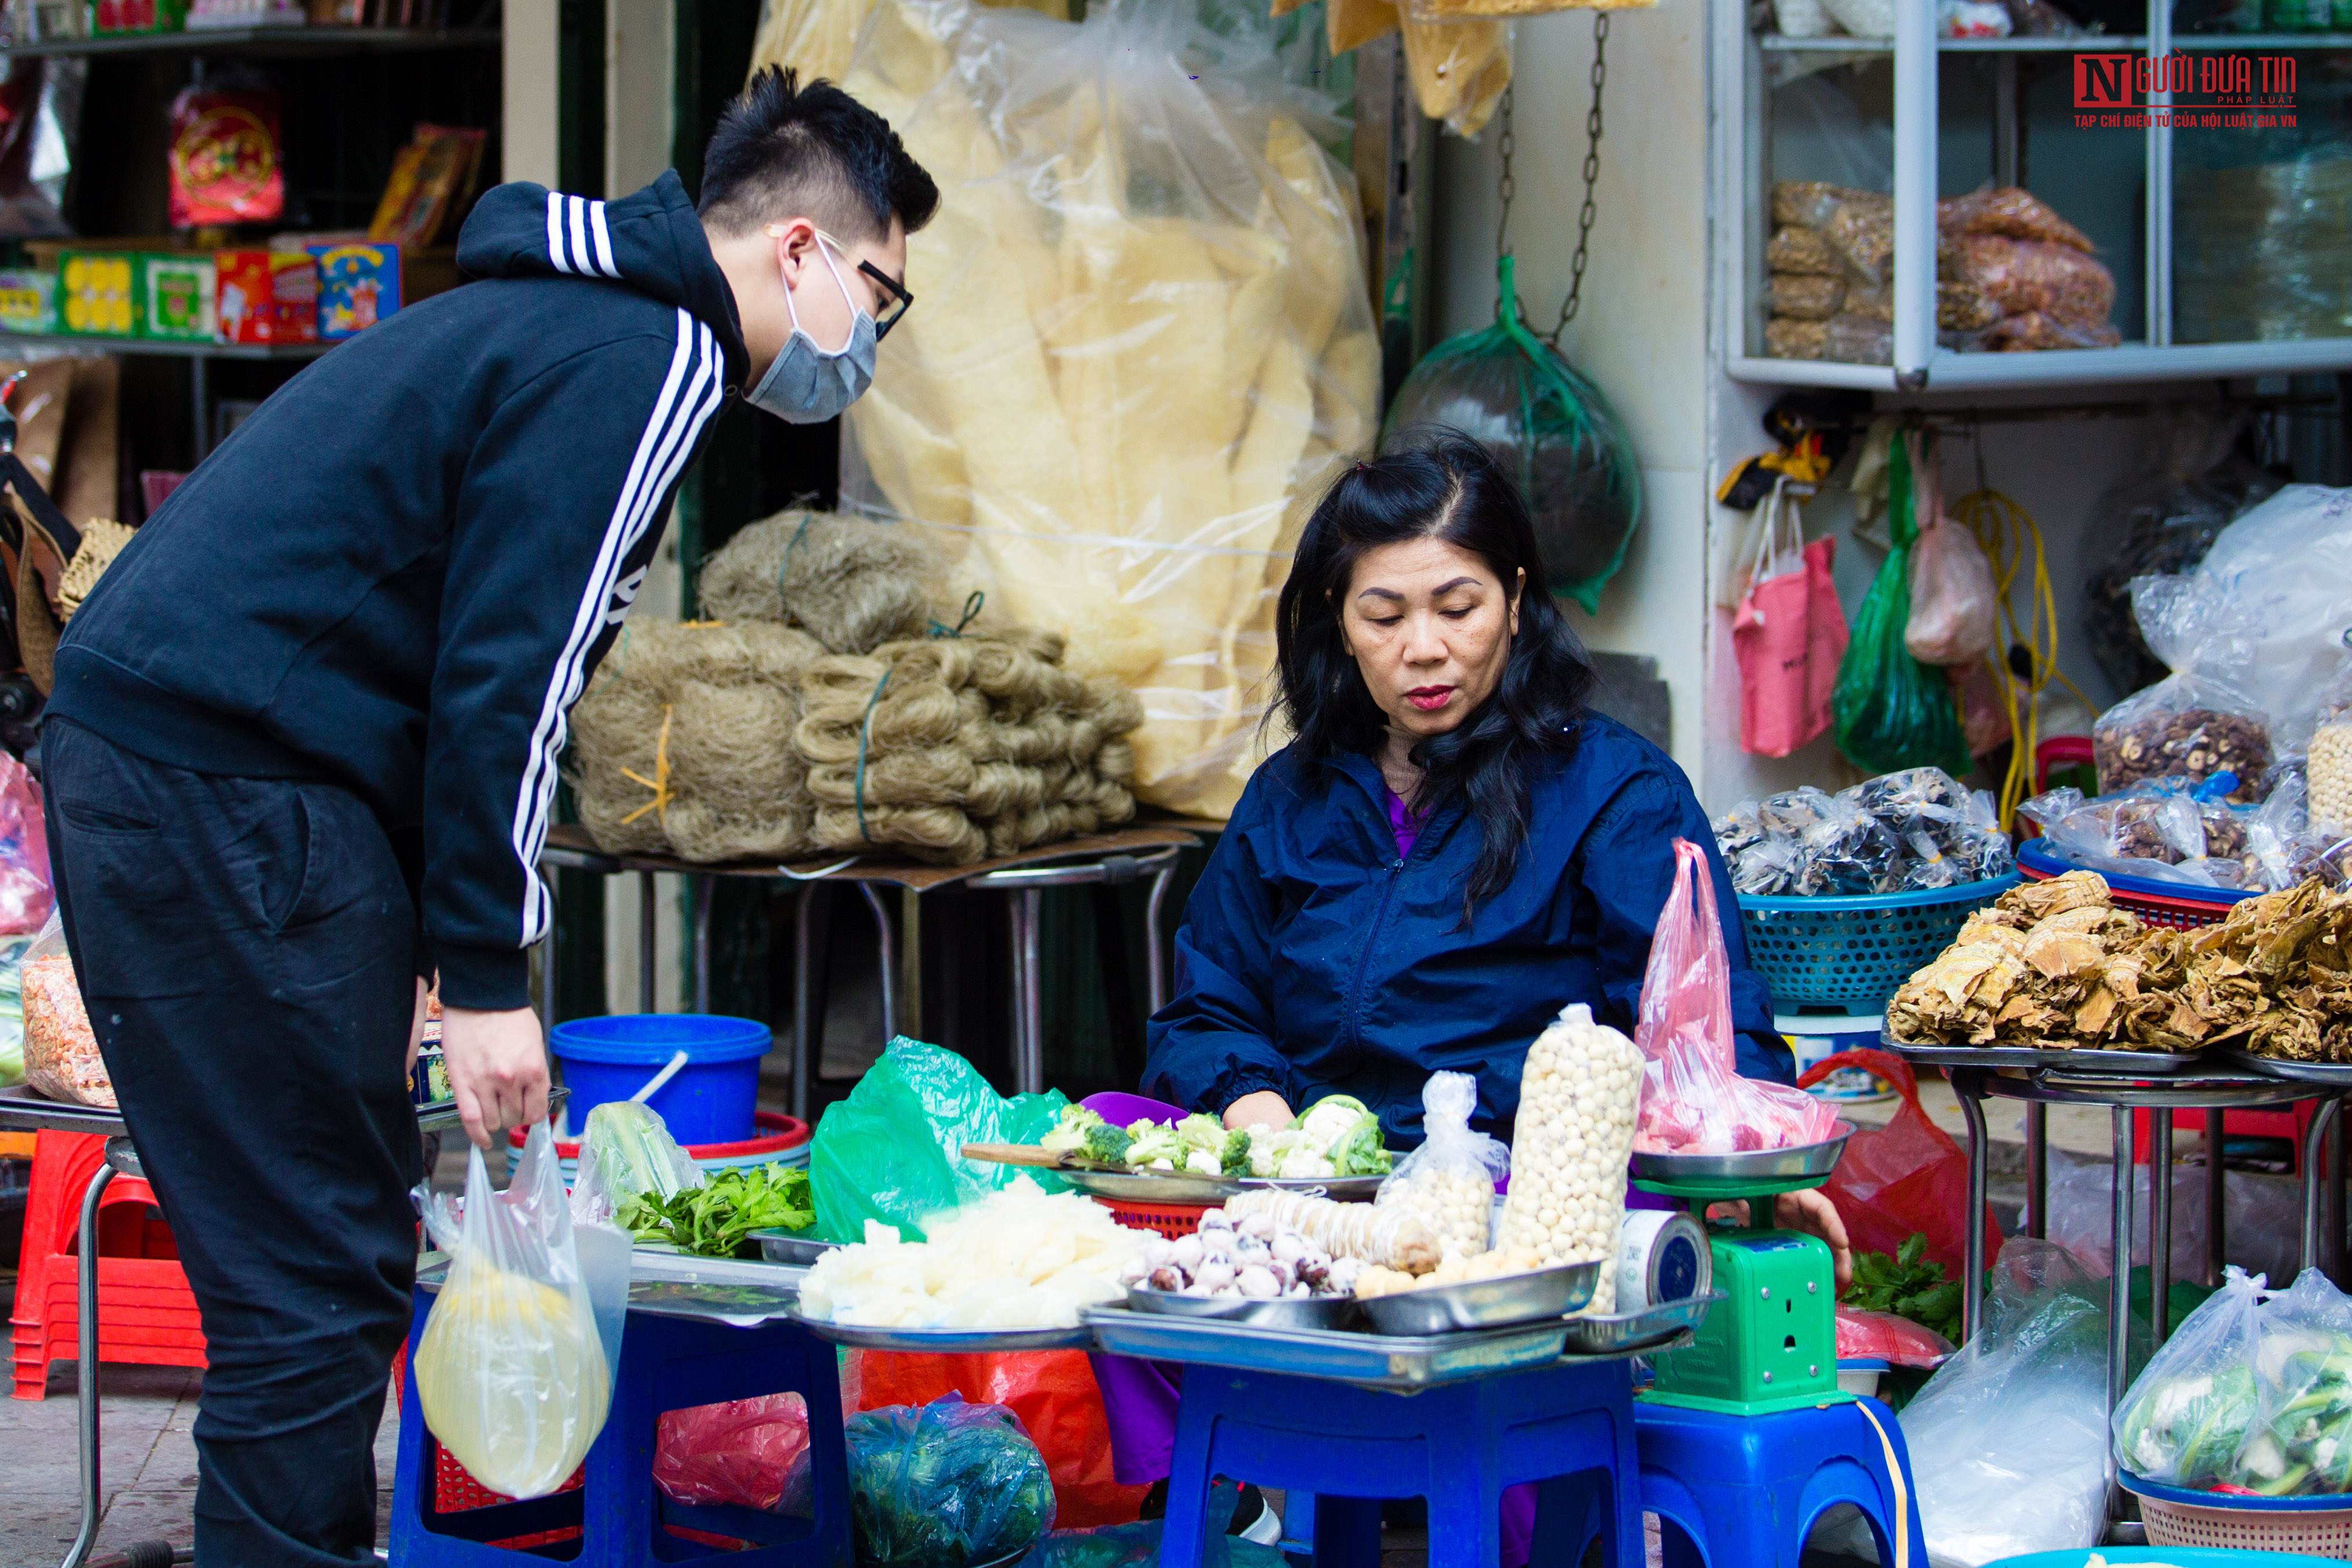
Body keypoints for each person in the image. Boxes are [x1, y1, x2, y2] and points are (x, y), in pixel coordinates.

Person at [37, 69, 934, 1568]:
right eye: (882, 299)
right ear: (799, 252)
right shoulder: (650, 354)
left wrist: (413, 954)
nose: (872, 344)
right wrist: (491, 977)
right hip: (214, 785)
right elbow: (506, 682)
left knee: (313, 1272)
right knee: (312, 1285)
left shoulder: (573, 317)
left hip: (207, 776)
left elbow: (413, 638)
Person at [1109, 431, 1849, 1556]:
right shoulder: (1290, 797)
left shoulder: (1612, 788)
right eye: (1383, 613)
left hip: (1508, 1202)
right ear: (1334, 618)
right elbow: (1209, 1006)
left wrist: (1734, 1161)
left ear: (1511, 598)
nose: (1424, 649)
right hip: (1316, 1180)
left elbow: (1698, 1023)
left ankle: (1467, 1505)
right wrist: (1269, 1119)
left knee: (1507, 1307)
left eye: (1455, 605)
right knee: (1116, 1157)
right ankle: (1244, 1491)